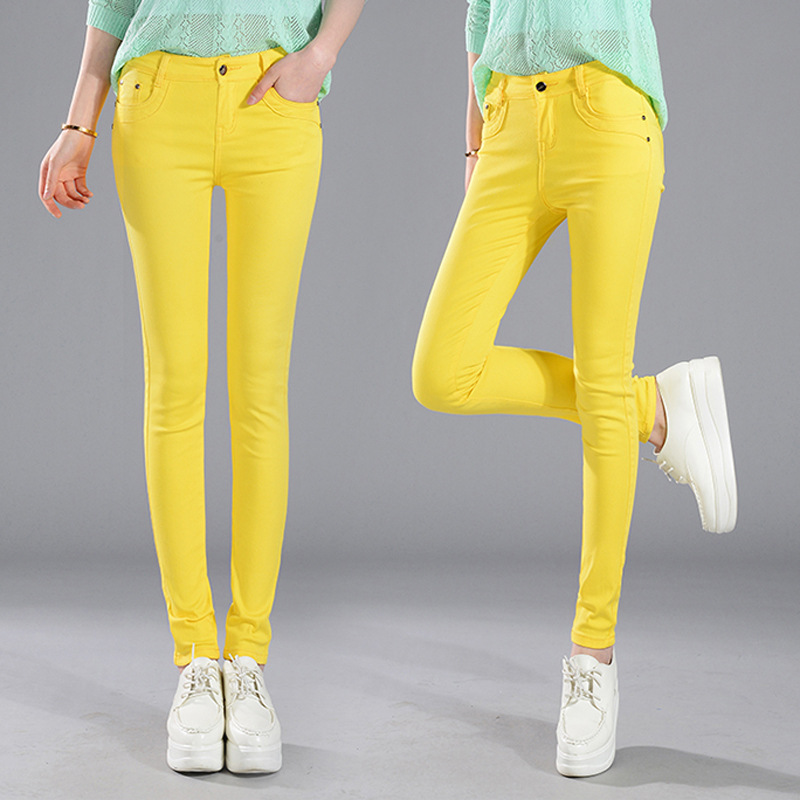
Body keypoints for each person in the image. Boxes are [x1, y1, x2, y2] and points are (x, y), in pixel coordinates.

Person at [412, 0, 737, 778]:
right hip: (507, 122)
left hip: (608, 109)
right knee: (442, 372)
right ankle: (651, 407)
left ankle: (593, 658)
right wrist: (474, 139)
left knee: (600, 377)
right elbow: (480, 13)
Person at [39, 0, 365, 775]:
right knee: (174, 388)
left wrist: (322, 54)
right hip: (158, 104)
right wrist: (80, 121)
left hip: (273, 102)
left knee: (261, 391)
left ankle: (247, 660)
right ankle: (194, 658)